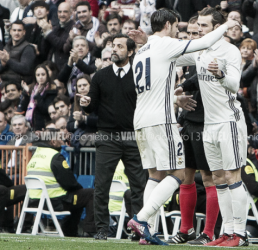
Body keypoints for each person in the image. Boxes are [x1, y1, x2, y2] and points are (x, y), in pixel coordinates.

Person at [126, 7, 242, 246]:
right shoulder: (169, 45)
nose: (192, 31)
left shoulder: (143, 50)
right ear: (168, 25)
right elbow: (206, 40)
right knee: (179, 174)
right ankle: (142, 219)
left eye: (203, 25)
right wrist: (227, 24)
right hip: (162, 119)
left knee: (155, 175)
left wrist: (177, 97)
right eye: (180, 26)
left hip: (141, 120)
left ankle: (147, 231)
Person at [173, 6, 248, 247]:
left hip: (229, 122)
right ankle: (226, 232)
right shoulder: (200, 51)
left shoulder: (230, 51)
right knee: (218, 178)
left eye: (204, 26)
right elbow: (174, 55)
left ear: (217, 28)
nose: (198, 30)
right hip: (210, 125)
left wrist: (220, 75)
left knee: (232, 176)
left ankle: (241, 234)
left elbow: (235, 84)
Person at [77, 34, 147, 241]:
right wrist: (86, 103)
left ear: (131, 51)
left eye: (119, 46)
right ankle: (101, 229)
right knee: (102, 185)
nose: (114, 49)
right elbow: (92, 107)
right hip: (107, 136)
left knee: (138, 186)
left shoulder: (139, 75)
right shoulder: (100, 76)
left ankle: (138, 228)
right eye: (113, 46)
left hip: (133, 136)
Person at [26, 130, 97, 237]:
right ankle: (90, 230)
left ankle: (70, 231)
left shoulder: (35, 155)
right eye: (60, 139)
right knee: (90, 194)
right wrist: (79, 188)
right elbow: (69, 182)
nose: (63, 141)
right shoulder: (55, 156)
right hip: (55, 202)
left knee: (78, 197)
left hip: (34, 202)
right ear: (53, 142)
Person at [18, 64, 58, 131]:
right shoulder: (31, 88)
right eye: (38, 75)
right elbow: (23, 107)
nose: (40, 77)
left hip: (44, 124)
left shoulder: (52, 89)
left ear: (47, 75)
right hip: (31, 124)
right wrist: (27, 93)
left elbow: (45, 109)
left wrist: (37, 95)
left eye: (43, 74)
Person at [0, 20, 36, 85]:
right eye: (14, 30)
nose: (16, 33)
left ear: (24, 32)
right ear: (10, 32)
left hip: (18, 85)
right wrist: (3, 65)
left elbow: (26, 69)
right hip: (4, 84)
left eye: (19, 30)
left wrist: (8, 61)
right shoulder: (6, 47)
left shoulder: (28, 48)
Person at [43, 2, 75, 71]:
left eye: (65, 12)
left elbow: (62, 45)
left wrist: (48, 33)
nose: (62, 14)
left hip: (65, 68)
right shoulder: (55, 28)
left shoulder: (74, 27)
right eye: (60, 12)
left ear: (71, 13)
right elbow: (45, 48)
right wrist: (44, 33)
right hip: (52, 67)